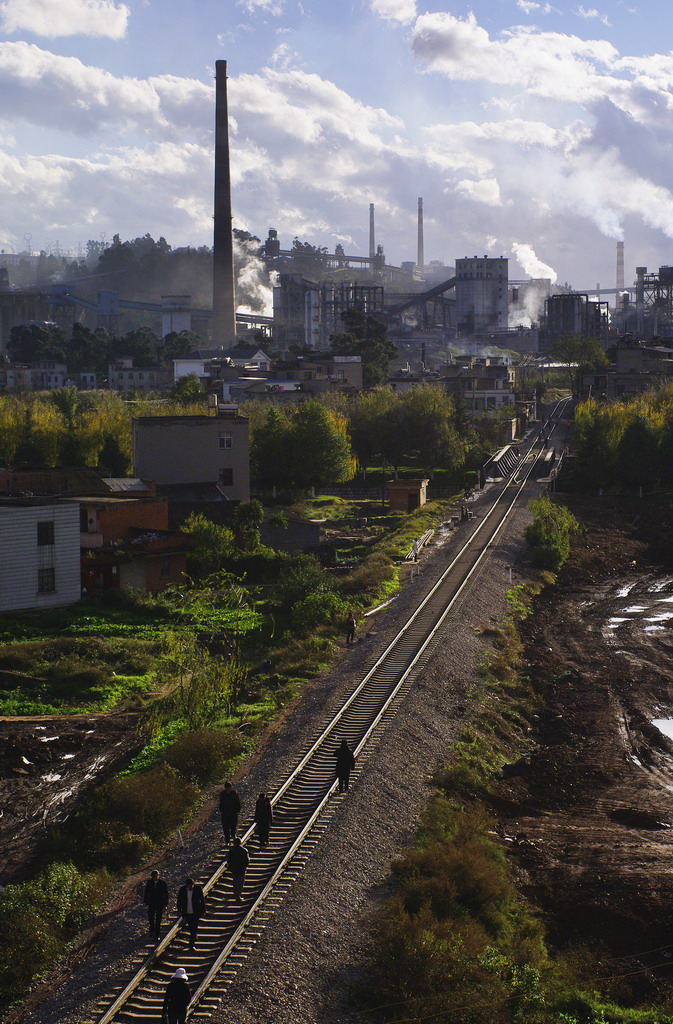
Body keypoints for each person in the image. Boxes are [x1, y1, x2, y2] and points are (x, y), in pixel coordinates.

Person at [176, 877, 206, 950]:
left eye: (191, 886)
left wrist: (203, 910)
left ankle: (191, 944)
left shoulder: (198, 889)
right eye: (188, 886)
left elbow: (202, 900)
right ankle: (193, 938)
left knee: (194, 928)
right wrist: (179, 908)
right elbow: (179, 899)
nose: (190, 887)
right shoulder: (182, 890)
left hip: (195, 912)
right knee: (190, 927)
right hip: (187, 912)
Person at [143, 869, 169, 941]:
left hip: (160, 903)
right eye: (153, 876)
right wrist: (145, 901)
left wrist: (165, 904)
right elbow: (146, 892)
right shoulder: (149, 883)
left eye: (156, 876)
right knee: (151, 917)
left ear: (158, 876)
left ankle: (157, 934)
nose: (154, 877)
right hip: (151, 903)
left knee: (158, 919)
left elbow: (166, 894)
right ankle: (152, 930)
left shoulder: (163, 883)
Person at [226, 836, 250, 903]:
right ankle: (238, 896)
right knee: (240, 883)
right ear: (240, 842)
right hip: (242, 869)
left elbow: (229, 861)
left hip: (234, 869)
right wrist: (245, 866)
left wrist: (231, 867)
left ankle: (235, 893)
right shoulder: (244, 850)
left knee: (235, 882)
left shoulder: (231, 850)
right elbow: (247, 860)